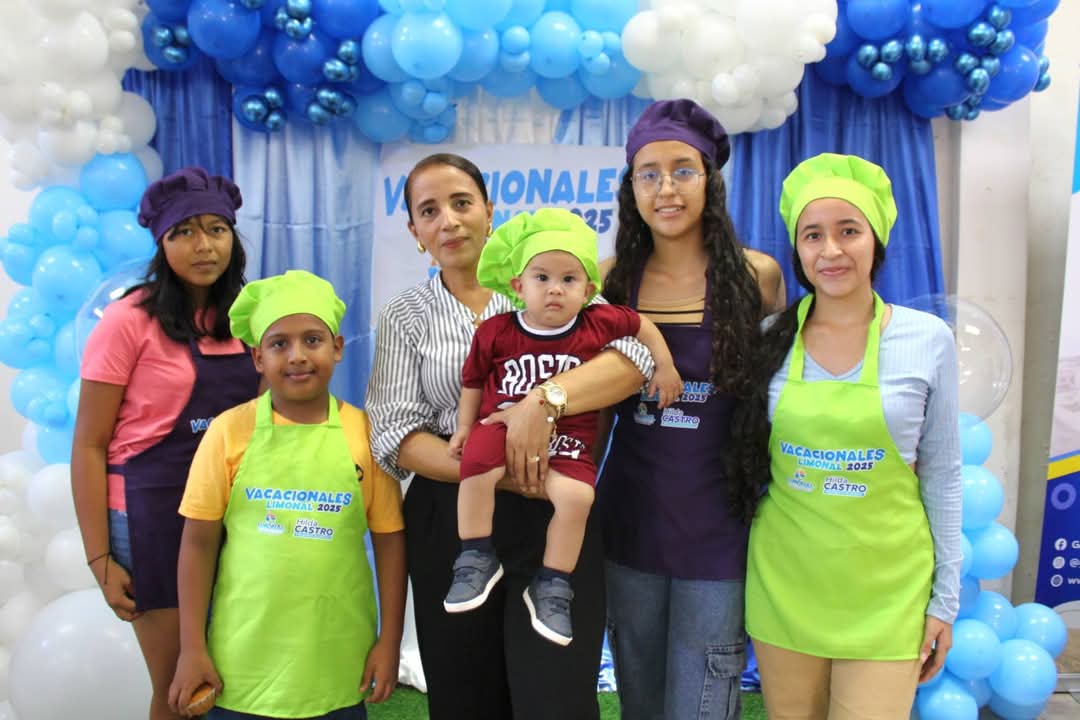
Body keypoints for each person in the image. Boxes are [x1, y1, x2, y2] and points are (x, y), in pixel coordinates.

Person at [367, 153, 655, 720]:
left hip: (557, 511)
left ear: (489, 211)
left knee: (556, 696)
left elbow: (633, 359)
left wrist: (544, 401)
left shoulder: (549, 281)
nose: (449, 221)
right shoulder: (406, 315)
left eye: (462, 203)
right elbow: (395, 434)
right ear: (415, 231)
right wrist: (494, 468)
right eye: (429, 211)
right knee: (465, 697)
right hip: (453, 518)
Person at [739, 153, 962, 719]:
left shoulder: (926, 339)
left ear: (876, 240)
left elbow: (943, 475)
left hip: (889, 594)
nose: (831, 250)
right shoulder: (769, 338)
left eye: (848, 231)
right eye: (813, 235)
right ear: (798, 249)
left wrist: (945, 602)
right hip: (785, 585)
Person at [596, 98, 786, 720]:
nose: (666, 189)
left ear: (710, 181)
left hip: (719, 529)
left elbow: (775, 403)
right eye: (648, 174)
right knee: (641, 704)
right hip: (631, 525)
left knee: (703, 704)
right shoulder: (608, 281)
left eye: (683, 170)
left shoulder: (757, 277)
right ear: (631, 188)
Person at [167, 270, 406, 719]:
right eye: (279, 344)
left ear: (337, 347)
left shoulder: (365, 433)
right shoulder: (228, 432)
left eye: (312, 340)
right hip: (242, 665)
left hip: (337, 660)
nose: (297, 356)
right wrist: (191, 647)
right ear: (258, 358)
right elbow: (197, 544)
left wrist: (389, 641)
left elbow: (390, 542)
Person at [443, 209, 682, 648]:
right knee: (474, 465)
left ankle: (553, 583)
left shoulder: (597, 323)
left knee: (578, 497)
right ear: (518, 286)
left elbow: (642, 325)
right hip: (500, 427)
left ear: (589, 291)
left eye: (569, 279)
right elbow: (473, 382)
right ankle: (475, 554)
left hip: (569, 441)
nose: (555, 288)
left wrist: (664, 365)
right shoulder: (496, 331)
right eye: (542, 278)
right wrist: (462, 428)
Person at [71, 167, 260, 720]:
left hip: (236, 514)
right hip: (152, 517)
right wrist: (99, 559)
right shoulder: (127, 321)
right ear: (161, 242)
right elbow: (89, 445)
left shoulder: (252, 316)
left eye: (216, 229)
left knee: (237, 684)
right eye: (184, 232)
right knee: (182, 693)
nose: (204, 245)